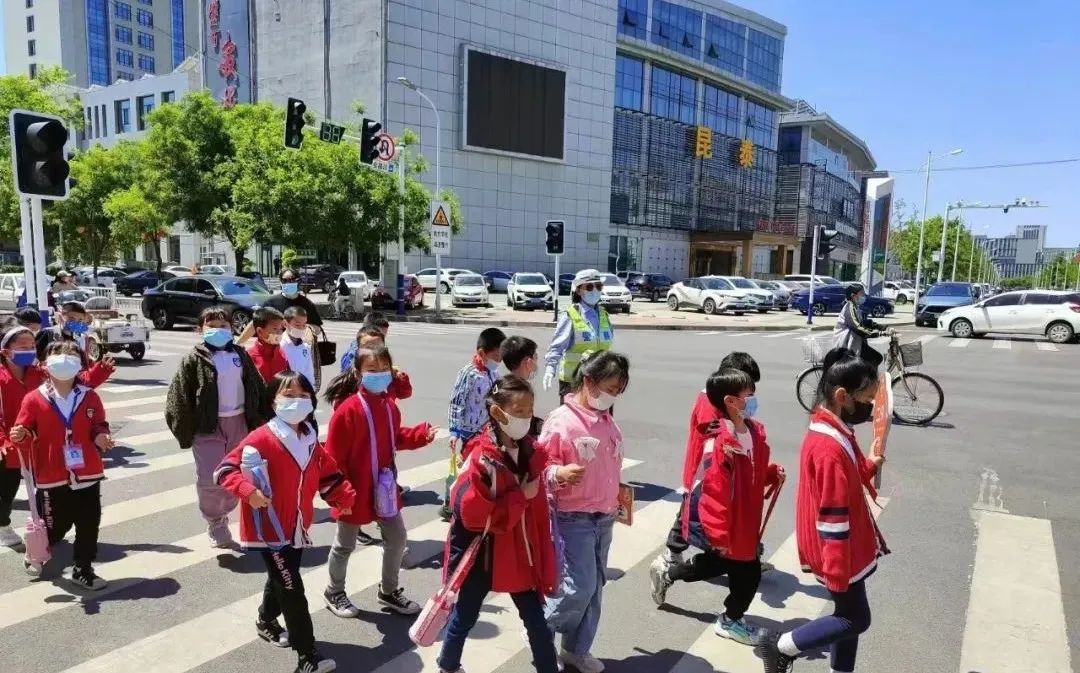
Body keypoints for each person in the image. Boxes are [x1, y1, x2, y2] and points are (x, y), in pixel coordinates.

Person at [215, 371, 356, 673]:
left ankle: (266, 620)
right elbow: (224, 471)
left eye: (303, 396)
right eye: (288, 395)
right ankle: (307, 655)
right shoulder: (260, 438)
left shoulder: (309, 438)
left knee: (282, 579)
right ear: (273, 401)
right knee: (292, 588)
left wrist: (342, 497)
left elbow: (327, 473)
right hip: (270, 530)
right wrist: (248, 491)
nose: (297, 401)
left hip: (297, 527)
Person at [757, 348, 888, 673]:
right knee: (855, 618)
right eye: (867, 399)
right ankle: (781, 646)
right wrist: (836, 568)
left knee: (848, 616)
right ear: (843, 396)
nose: (871, 408)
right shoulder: (828, 446)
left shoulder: (833, 428)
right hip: (839, 549)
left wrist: (872, 462)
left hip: (848, 546)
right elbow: (832, 516)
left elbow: (852, 473)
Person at [648, 367, 783, 645]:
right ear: (731, 401)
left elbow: (752, 469)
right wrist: (719, 536)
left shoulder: (753, 430)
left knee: (715, 565)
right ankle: (731, 620)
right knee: (748, 574)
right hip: (731, 524)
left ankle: (668, 573)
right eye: (749, 394)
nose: (753, 398)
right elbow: (714, 494)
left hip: (746, 519)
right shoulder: (720, 444)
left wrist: (770, 474)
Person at [437, 375, 559, 673]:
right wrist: (520, 497)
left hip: (519, 551)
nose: (526, 417)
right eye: (518, 411)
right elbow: (472, 515)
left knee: (536, 619)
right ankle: (448, 665)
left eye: (529, 410)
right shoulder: (482, 458)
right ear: (497, 412)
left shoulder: (531, 450)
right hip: (485, 554)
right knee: (465, 616)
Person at [322, 344, 437, 618]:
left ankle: (388, 590)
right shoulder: (348, 410)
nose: (379, 374)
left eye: (384, 368)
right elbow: (332, 459)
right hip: (352, 491)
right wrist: (339, 494)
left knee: (397, 538)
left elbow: (394, 438)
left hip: (384, 489)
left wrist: (420, 435)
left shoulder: (389, 407)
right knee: (345, 545)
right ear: (358, 372)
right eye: (372, 369)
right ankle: (334, 591)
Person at [539, 350, 629, 673]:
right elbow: (539, 468)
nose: (612, 396)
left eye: (618, 391)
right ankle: (541, 628)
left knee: (595, 589)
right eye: (610, 388)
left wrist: (618, 498)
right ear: (589, 381)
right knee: (580, 586)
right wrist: (558, 473)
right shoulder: (561, 421)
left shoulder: (607, 421)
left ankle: (577, 650)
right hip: (573, 516)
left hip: (603, 516)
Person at [9, 341, 114, 587]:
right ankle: (37, 550)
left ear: (80, 364)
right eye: (57, 353)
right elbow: (25, 430)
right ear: (45, 363)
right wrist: (21, 434)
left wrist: (101, 436)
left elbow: (99, 424)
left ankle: (83, 569)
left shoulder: (89, 396)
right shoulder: (33, 399)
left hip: (87, 473)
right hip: (51, 475)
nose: (64, 358)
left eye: (71, 354)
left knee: (89, 523)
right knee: (55, 527)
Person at [165, 307, 269, 548]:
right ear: (200, 329)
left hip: (239, 422)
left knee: (235, 474)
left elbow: (257, 386)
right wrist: (183, 429)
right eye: (211, 326)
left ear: (232, 328)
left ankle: (227, 510)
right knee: (210, 477)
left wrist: (265, 416)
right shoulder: (193, 359)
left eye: (223, 326)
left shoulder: (240, 355)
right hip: (208, 426)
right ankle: (215, 521)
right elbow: (179, 396)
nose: (218, 330)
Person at [664, 352, 773, 570]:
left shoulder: (730, 402)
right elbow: (713, 432)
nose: (751, 397)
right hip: (706, 470)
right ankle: (674, 553)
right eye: (747, 390)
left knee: (717, 512)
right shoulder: (709, 401)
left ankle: (747, 554)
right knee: (691, 512)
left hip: (728, 470)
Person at [347, 324, 413, 547]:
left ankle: (386, 529)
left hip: (384, 435)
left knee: (385, 488)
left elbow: (405, 393)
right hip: (362, 448)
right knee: (359, 498)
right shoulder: (353, 388)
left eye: (378, 345)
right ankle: (356, 527)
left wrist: (400, 377)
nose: (374, 350)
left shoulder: (388, 374)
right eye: (368, 346)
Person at [442, 327, 506, 520]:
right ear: (482, 353)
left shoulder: (493, 373)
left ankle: (476, 500)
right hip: (469, 431)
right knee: (466, 467)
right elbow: (456, 402)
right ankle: (452, 503)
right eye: (496, 356)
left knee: (482, 466)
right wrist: (454, 431)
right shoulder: (468, 374)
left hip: (487, 428)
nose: (499, 360)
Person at [0, 325, 45, 549]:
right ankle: (3, 526)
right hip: (6, 446)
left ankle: (44, 527)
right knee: (5, 492)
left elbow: (70, 384)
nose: (29, 350)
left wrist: (99, 372)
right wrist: (3, 441)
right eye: (23, 346)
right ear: (5, 351)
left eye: (32, 346)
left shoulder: (39, 373)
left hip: (35, 442)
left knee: (46, 488)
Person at [543, 269, 614, 400]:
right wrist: (550, 369)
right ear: (579, 290)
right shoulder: (570, 315)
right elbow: (557, 347)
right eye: (589, 287)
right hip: (574, 383)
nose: (595, 290)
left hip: (600, 382)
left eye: (598, 286)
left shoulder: (604, 315)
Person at [34, 301, 115, 387]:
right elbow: (35, 361)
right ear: (61, 316)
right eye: (71, 319)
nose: (76, 322)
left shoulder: (81, 338)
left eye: (80, 320)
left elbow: (84, 366)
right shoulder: (48, 334)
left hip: (73, 384)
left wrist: (99, 369)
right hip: (49, 384)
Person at [236, 269, 324, 345]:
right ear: (281, 282)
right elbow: (254, 324)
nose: (288, 283)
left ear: (298, 281)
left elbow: (317, 328)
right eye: (285, 280)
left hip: (300, 348)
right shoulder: (271, 302)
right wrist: (238, 344)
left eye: (292, 279)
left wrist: (302, 328)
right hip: (276, 348)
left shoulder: (307, 303)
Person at [832, 284, 886, 369]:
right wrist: (878, 333)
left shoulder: (854, 306)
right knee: (875, 358)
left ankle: (866, 377)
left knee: (876, 358)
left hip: (856, 341)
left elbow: (863, 322)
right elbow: (857, 327)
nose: (864, 295)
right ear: (853, 295)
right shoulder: (849, 307)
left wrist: (881, 327)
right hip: (847, 344)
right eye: (862, 293)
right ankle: (865, 377)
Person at [247, 307, 289, 384]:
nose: (279, 333)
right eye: (275, 329)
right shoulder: (249, 356)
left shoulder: (283, 352)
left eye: (280, 329)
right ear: (260, 331)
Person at [280, 306, 318, 391]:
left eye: (304, 325)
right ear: (285, 324)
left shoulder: (305, 345)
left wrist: (312, 389)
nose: (301, 328)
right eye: (297, 325)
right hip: (287, 391)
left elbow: (309, 370)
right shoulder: (281, 345)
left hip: (305, 390)